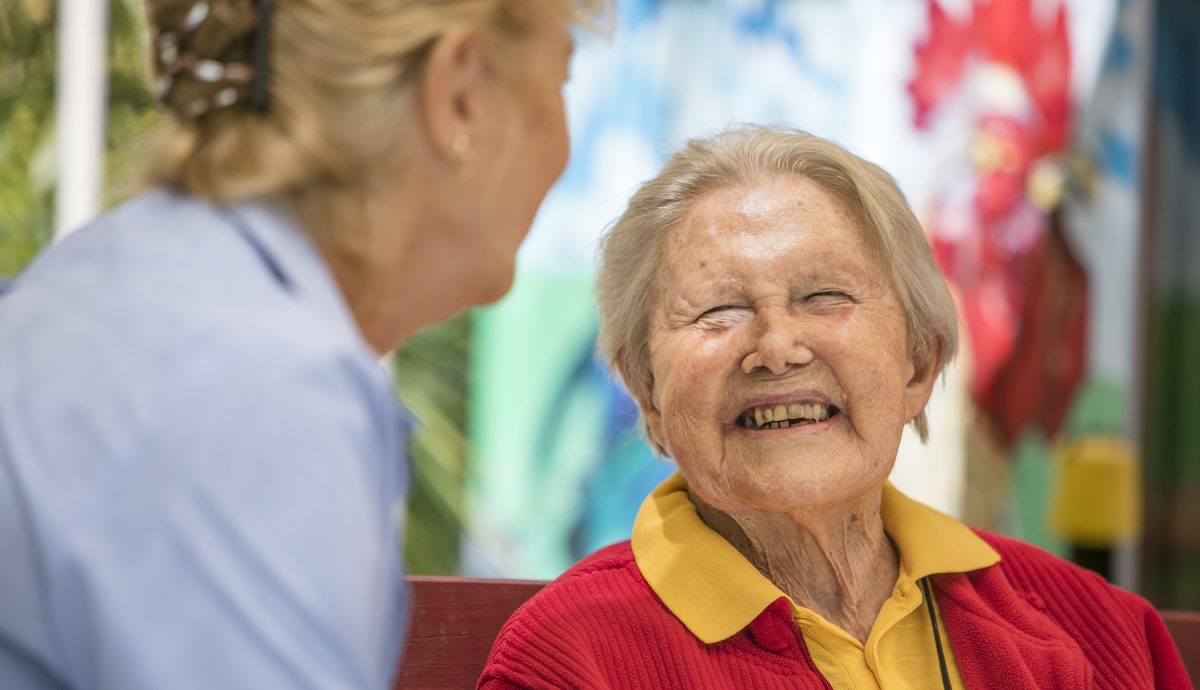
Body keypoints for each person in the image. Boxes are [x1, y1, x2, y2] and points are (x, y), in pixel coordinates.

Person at [0, 0, 603, 688]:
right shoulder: (256, 385)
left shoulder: (138, 282)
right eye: (560, 83)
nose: (565, 144)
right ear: (459, 93)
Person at [478, 126, 1192, 690]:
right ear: (646, 392)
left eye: (826, 297)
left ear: (920, 361)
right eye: (719, 310)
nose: (777, 347)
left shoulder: (1097, 632)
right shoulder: (575, 659)